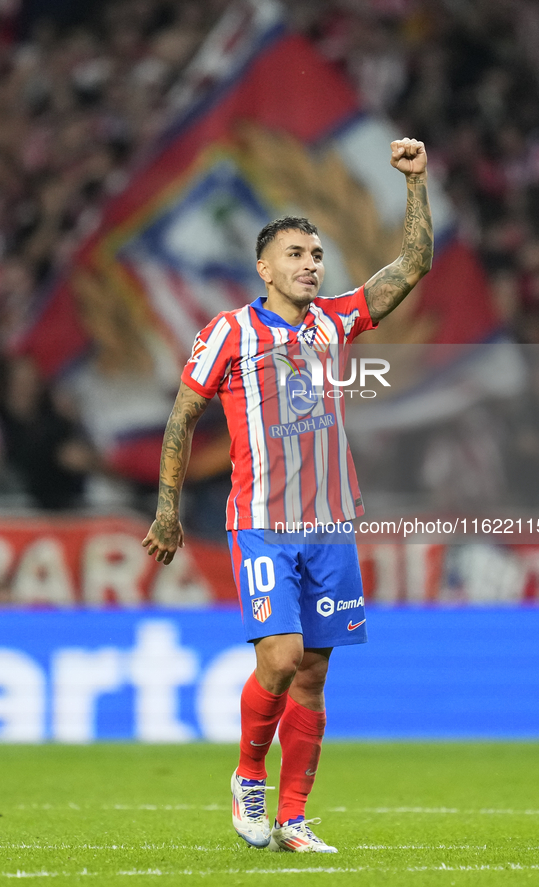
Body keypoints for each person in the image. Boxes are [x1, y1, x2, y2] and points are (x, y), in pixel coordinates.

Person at [143, 138, 433, 852]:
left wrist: (416, 182)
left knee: (312, 675)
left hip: (330, 527)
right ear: (263, 267)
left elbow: (413, 265)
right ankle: (247, 775)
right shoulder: (229, 332)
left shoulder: (335, 321)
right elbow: (183, 414)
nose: (311, 264)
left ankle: (294, 817)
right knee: (278, 657)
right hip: (263, 524)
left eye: (316, 254)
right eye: (296, 254)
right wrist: (167, 507)